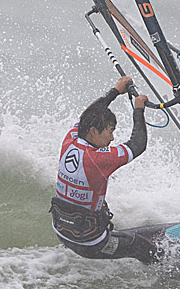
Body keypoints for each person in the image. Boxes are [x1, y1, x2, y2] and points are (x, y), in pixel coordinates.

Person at [50, 75, 161, 264]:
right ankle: (169, 270)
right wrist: (138, 110)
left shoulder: (70, 139)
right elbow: (138, 144)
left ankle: (103, 234)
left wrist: (116, 91)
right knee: (139, 246)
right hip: (90, 244)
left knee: (99, 206)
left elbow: (89, 114)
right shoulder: (98, 160)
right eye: (110, 131)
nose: (112, 138)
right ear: (93, 131)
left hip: (61, 230)